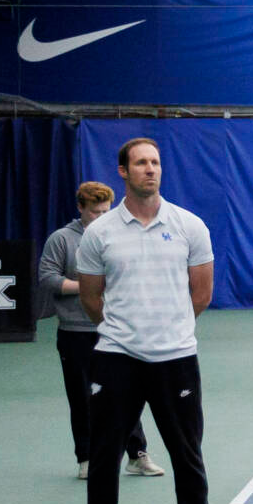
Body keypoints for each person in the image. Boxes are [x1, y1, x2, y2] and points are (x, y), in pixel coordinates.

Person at [71, 137, 216, 504]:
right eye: (140, 163)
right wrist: (127, 331)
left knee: (187, 457)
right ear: (123, 172)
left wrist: (167, 329)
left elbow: (201, 294)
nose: (149, 169)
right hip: (116, 359)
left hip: (176, 361)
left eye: (155, 162)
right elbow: (92, 299)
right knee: (104, 457)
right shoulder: (99, 233)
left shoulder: (190, 226)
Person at [39, 180, 156, 480]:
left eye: (106, 211)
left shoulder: (120, 236)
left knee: (126, 393)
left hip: (116, 330)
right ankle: (87, 459)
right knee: (82, 398)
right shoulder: (61, 239)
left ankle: (137, 455)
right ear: (80, 208)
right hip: (75, 333)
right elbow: (48, 278)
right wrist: (87, 285)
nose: (101, 217)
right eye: (94, 212)